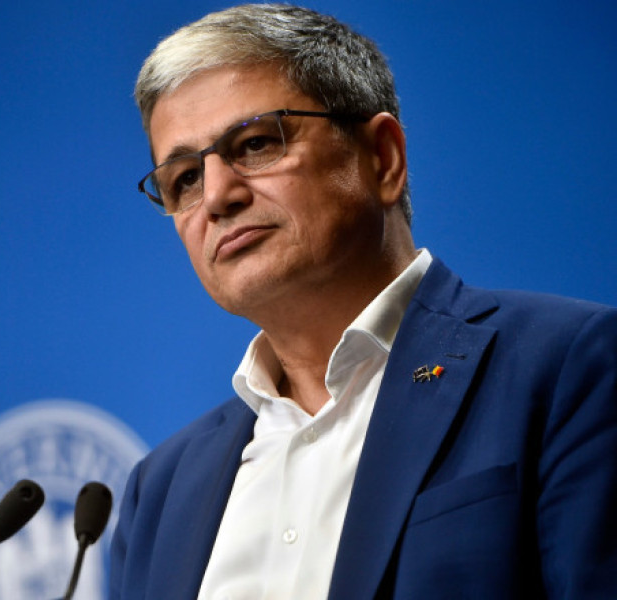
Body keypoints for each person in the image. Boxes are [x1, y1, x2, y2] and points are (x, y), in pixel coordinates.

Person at [108, 4, 617, 599]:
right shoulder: (159, 492)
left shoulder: (567, 369)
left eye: (255, 144)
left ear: (383, 158)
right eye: (185, 180)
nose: (217, 196)